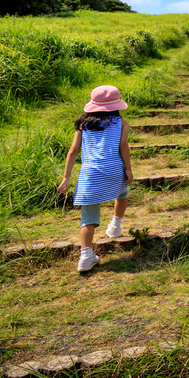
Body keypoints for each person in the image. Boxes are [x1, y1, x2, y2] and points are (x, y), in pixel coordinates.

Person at [57, 85, 134, 273]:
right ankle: (115, 225)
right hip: (115, 169)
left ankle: (86, 255)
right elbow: (123, 146)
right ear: (117, 105)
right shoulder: (122, 123)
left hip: (89, 174)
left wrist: (66, 176)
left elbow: (73, 151)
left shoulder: (83, 125)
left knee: (88, 217)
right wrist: (129, 169)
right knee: (123, 191)